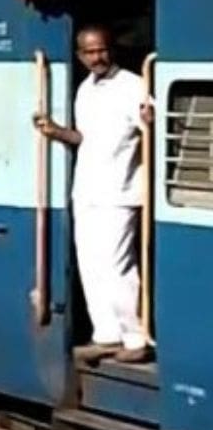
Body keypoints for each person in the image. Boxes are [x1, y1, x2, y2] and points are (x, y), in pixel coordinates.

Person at [34, 24, 154, 364]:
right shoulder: (85, 89)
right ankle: (107, 334)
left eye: (101, 49)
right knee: (91, 265)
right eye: (89, 52)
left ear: (111, 49)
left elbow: (152, 126)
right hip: (86, 190)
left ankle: (136, 337)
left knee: (117, 266)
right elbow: (85, 138)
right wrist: (56, 132)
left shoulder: (133, 86)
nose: (96, 57)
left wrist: (151, 118)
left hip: (120, 191)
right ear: (79, 55)